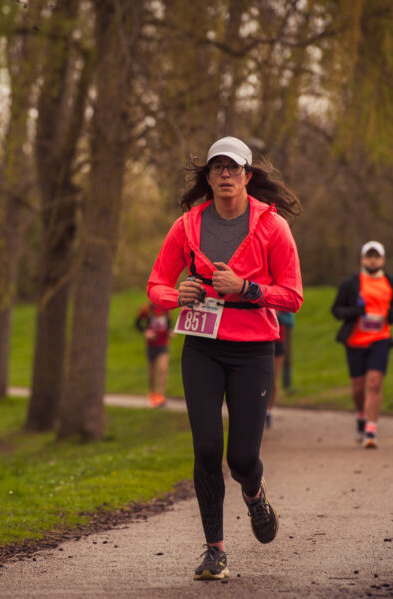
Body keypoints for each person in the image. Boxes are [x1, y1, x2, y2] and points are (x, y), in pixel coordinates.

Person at [147, 136, 303, 581]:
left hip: (253, 348)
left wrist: (248, 289)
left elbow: (293, 297)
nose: (225, 175)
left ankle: (254, 494)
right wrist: (177, 294)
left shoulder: (273, 227)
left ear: (247, 176)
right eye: (217, 168)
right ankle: (214, 550)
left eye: (233, 168)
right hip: (202, 345)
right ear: (209, 177)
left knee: (241, 458)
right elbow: (156, 284)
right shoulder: (186, 225)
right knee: (207, 447)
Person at [330, 241, 393, 449]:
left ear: (383, 260)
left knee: (375, 383)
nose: (372, 260)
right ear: (362, 259)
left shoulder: (390, 282)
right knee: (358, 388)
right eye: (369, 256)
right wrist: (355, 312)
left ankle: (371, 430)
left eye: (376, 256)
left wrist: (390, 315)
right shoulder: (351, 283)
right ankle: (361, 416)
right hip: (356, 341)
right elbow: (336, 310)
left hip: (380, 339)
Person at [135, 302, 172, 408]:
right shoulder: (146, 308)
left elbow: (169, 323)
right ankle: (152, 393)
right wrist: (145, 332)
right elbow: (137, 324)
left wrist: (169, 332)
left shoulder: (166, 308)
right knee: (152, 370)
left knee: (163, 368)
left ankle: (160, 395)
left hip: (163, 344)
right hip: (151, 344)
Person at [267, 311, 295, 429]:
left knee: (272, 379)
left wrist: (277, 314)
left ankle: (268, 411)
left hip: (277, 340)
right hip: (258, 339)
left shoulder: (278, 297)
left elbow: (291, 321)